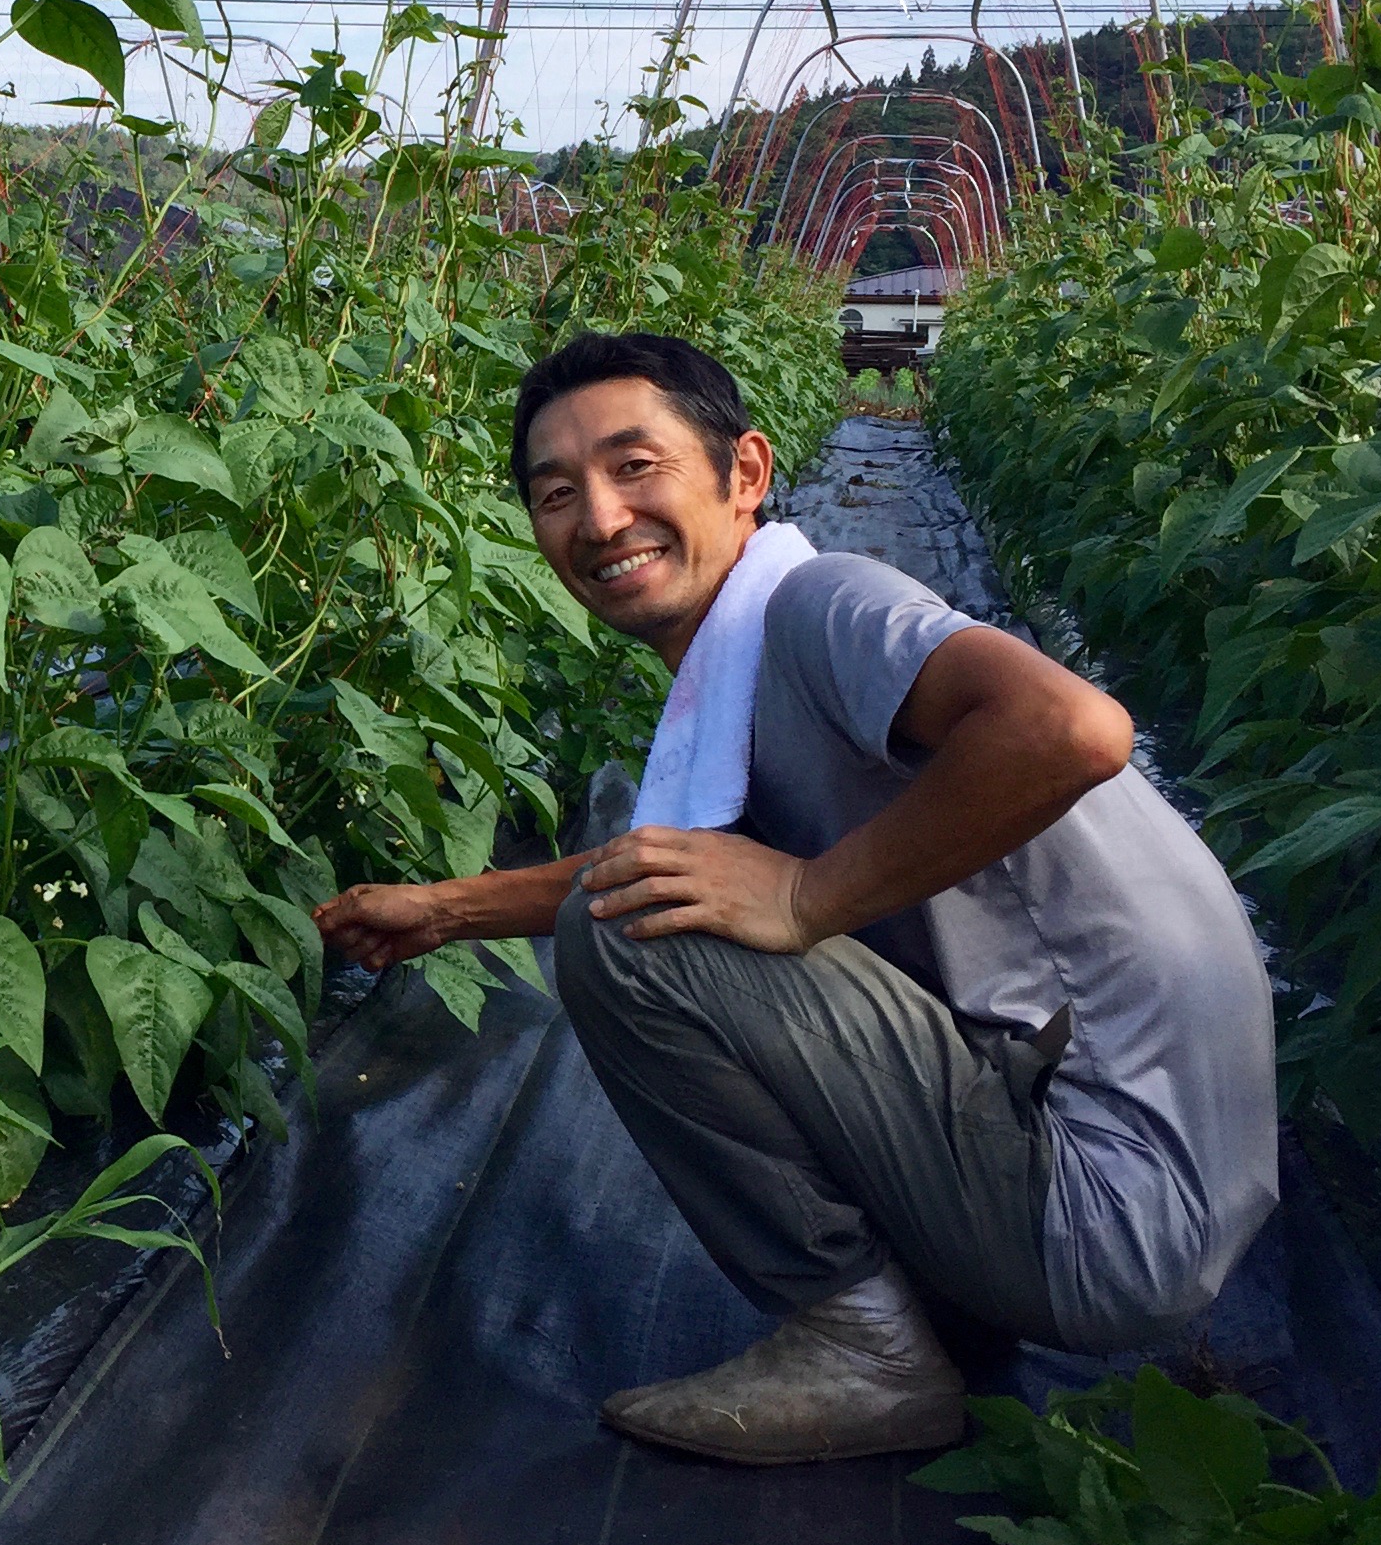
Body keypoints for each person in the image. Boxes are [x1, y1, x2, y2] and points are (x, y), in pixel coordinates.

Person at [313, 331, 1276, 1465]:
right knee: (673, 901)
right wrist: (445, 910)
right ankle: (925, 1304)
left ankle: (866, 1350)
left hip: (1104, 1206)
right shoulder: (750, 657)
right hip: (1124, 1178)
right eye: (557, 493)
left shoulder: (826, 604)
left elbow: (1071, 730)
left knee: (628, 941)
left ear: (749, 473)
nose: (601, 521)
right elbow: (694, 869)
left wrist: (814, 896)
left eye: (637, 467)